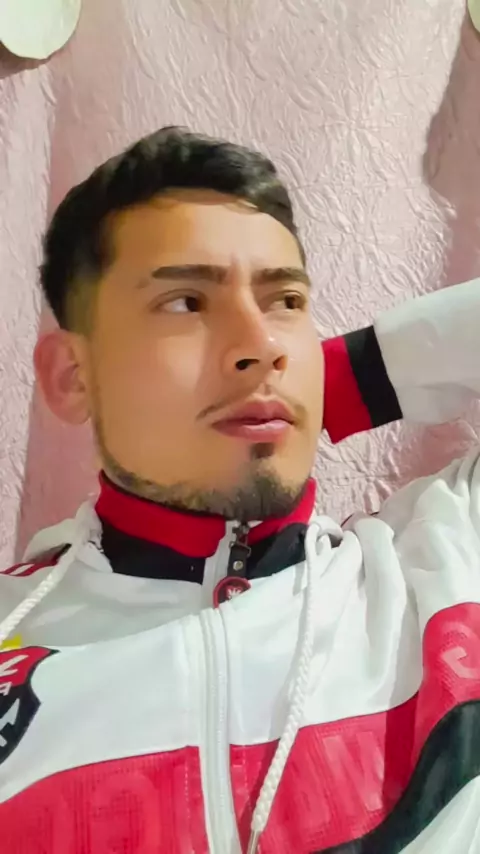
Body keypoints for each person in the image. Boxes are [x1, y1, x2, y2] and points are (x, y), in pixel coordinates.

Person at [0, 127, 479, 854]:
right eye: (186, 303)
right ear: (73, 376)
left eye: (285, 300)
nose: (262, 345)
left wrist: (346, 381)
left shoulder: (447, 560)